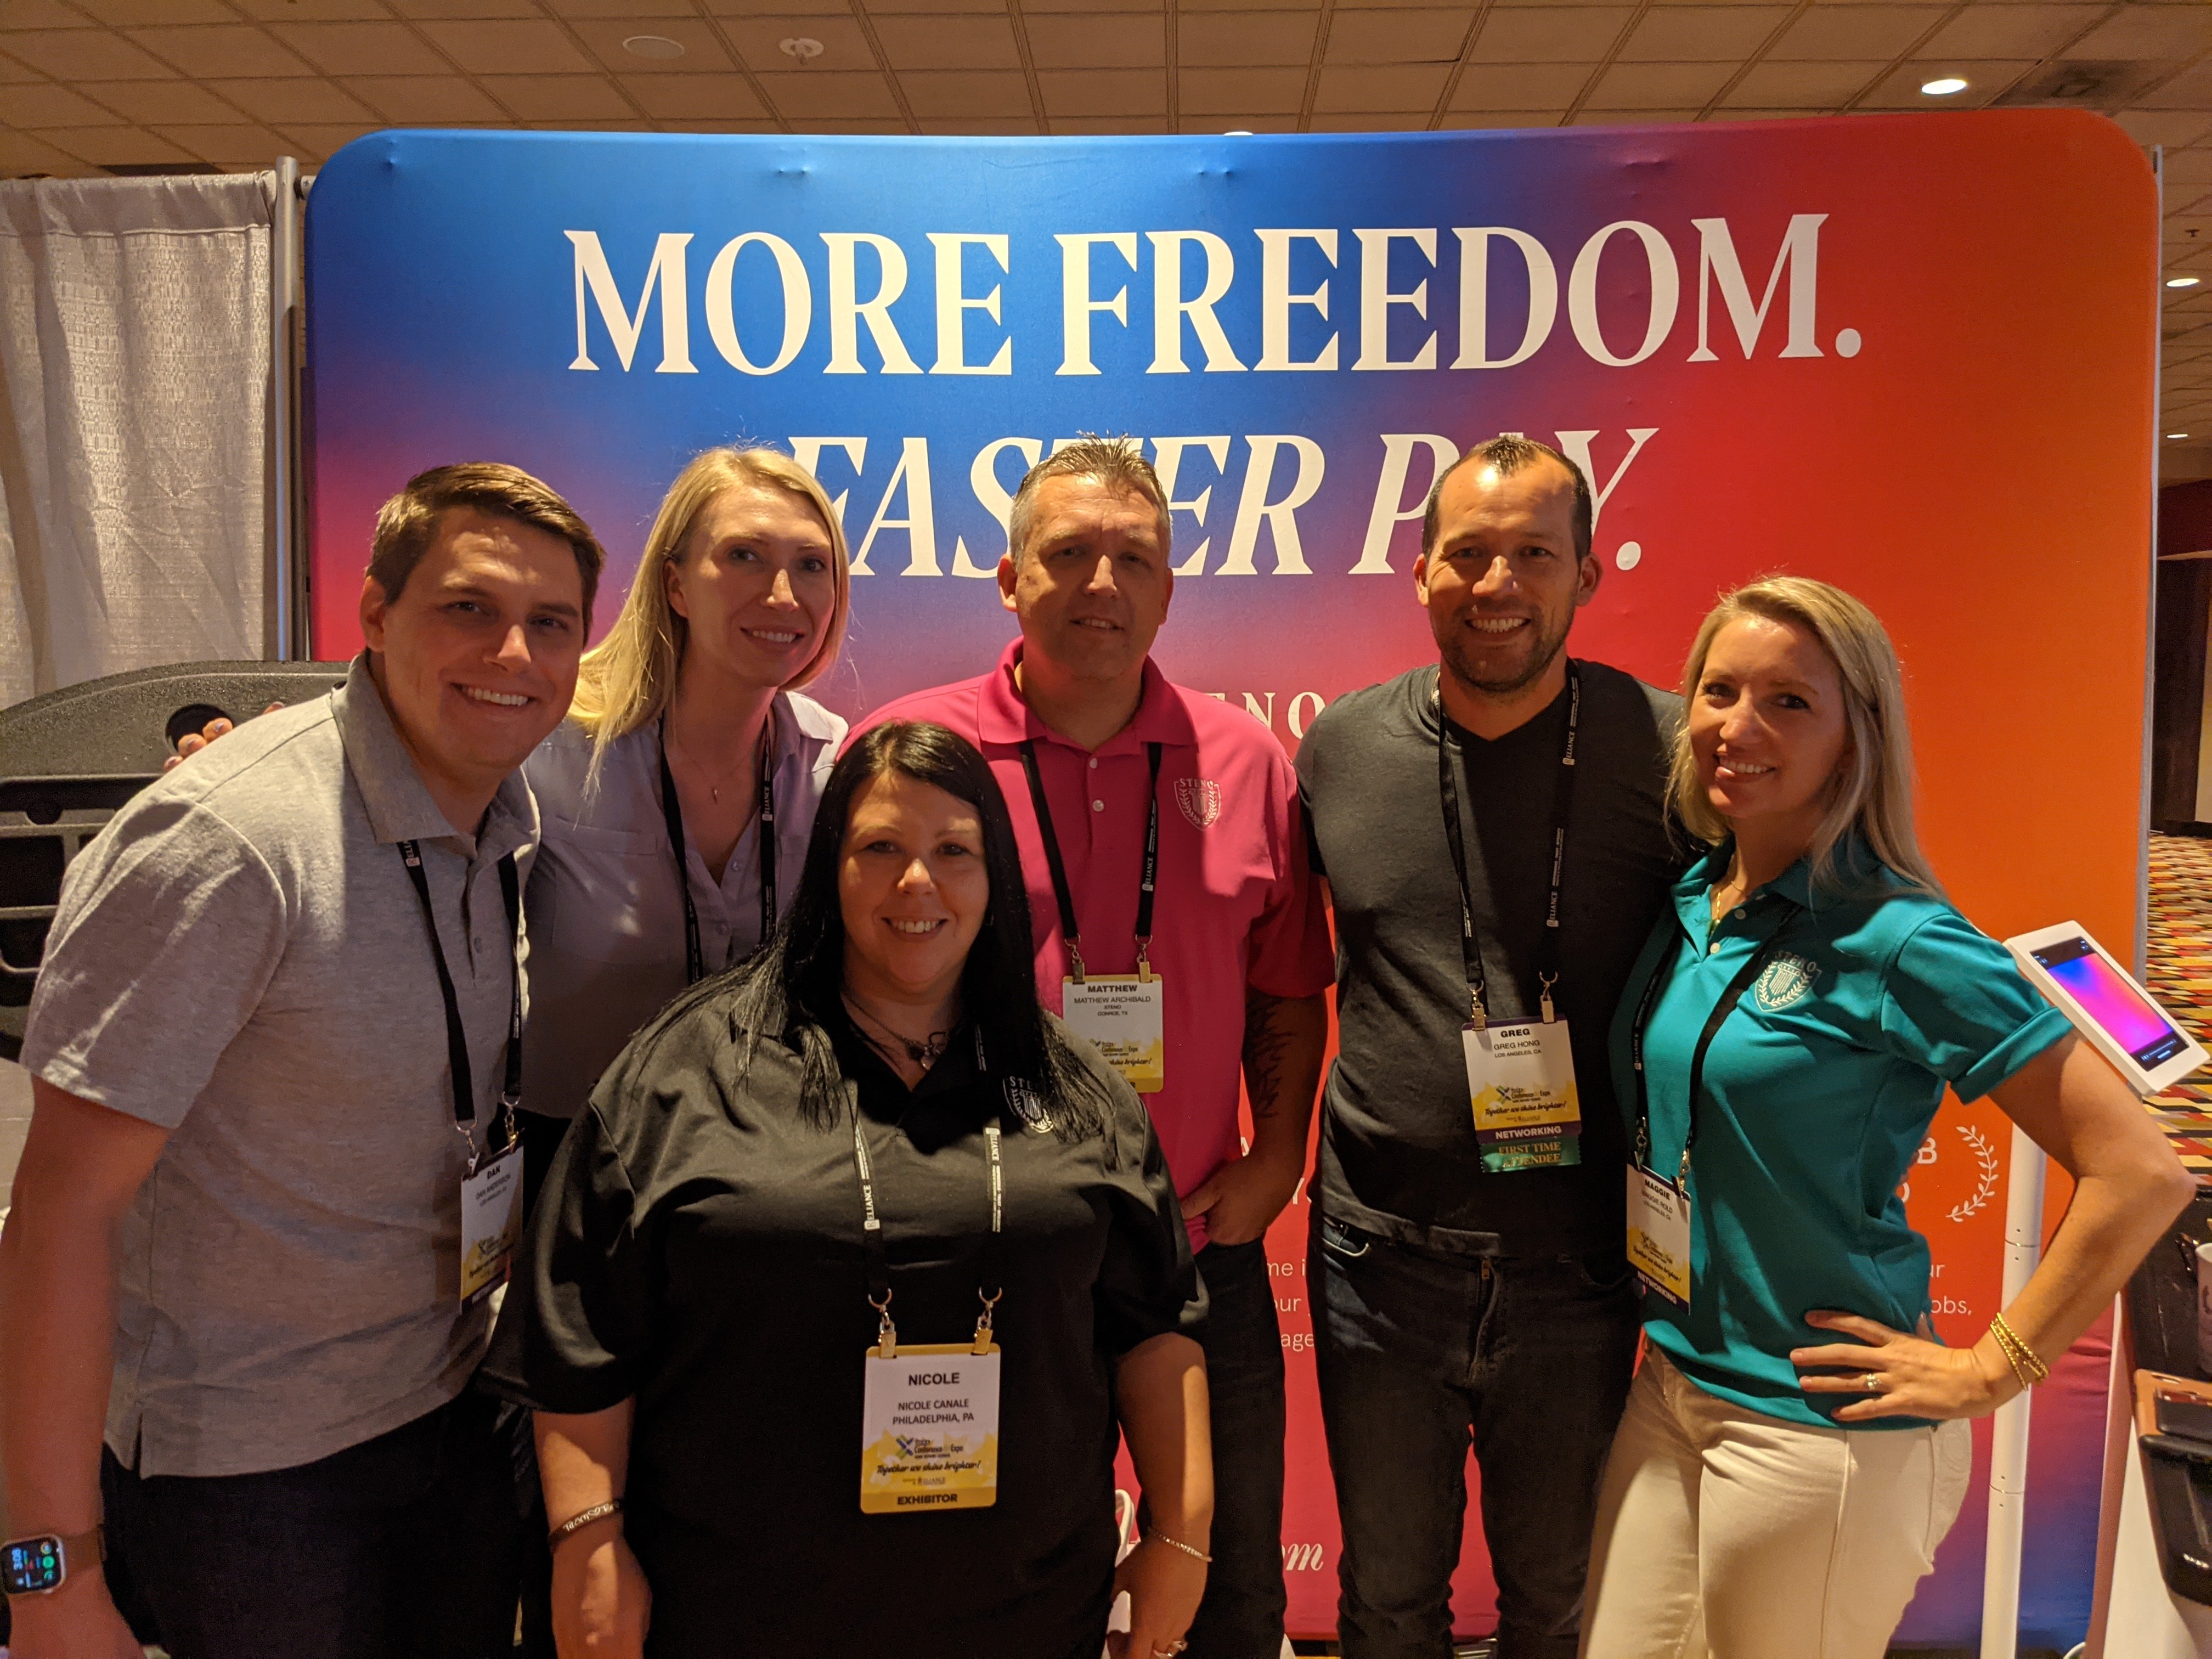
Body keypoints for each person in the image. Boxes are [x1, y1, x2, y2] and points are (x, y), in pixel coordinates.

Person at [0, 463, 603, 1659]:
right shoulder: (229, 841)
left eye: (552, 624)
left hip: (449, 1422)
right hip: (251, 1482)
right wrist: (43, 1576)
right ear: (373, 619)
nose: (514, 653)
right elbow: (59, 1211)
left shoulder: (506, 815)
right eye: (469, 609)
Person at [479, 720, 1213, 1659]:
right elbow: (581, 1340)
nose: (920, 882)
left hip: (1024, 1619)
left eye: (956, 851)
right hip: (733, 1618)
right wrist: (589, 1542)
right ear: (830, 867)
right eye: (881, 849)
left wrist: (1180, 1541)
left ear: (997, 882)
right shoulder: (689, 1073)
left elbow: (1156, 1329)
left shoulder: (1075, 1088)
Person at [1578, 577, 2193, 1658]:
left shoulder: (1901, 938)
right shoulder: (1696, 898)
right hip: (1674, 1382)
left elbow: (2142, 1171)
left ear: (1854, 738)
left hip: (1817, 1428)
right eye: (1719, 691)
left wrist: (1995, 1365)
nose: (1738, 726)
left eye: (1789, 703)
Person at [856, 437, 1335, 1658]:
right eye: (1068, 553)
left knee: (1229, 1595)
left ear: (1172, 586)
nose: (1103, 583)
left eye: (1135, 557)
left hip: (1196, 1246)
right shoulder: (916, 753)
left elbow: (1287, 984)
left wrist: (1277, 1151)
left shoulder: (1244, 760)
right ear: (1010, 578)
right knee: (995, 1591)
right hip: (985, 1242)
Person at [1294, 434, 1681, 1659]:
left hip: (1577, 1267)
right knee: (1388, 1603)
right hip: (1376, 1262)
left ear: (1588, 575)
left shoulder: (1672, 753)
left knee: (1557, 1603)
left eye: (1533, 554)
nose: (1498, 583)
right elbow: (1277, 973)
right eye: (1467, 553)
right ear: (1419, 573)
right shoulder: (1340, 749)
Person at [515, 443, 852, 1200]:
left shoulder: (830, 765)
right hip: (564, 1175)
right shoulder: (548, 750)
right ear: (675, 583)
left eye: (811, 564)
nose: (782, 593)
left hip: (758, 1175)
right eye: (743, 556)